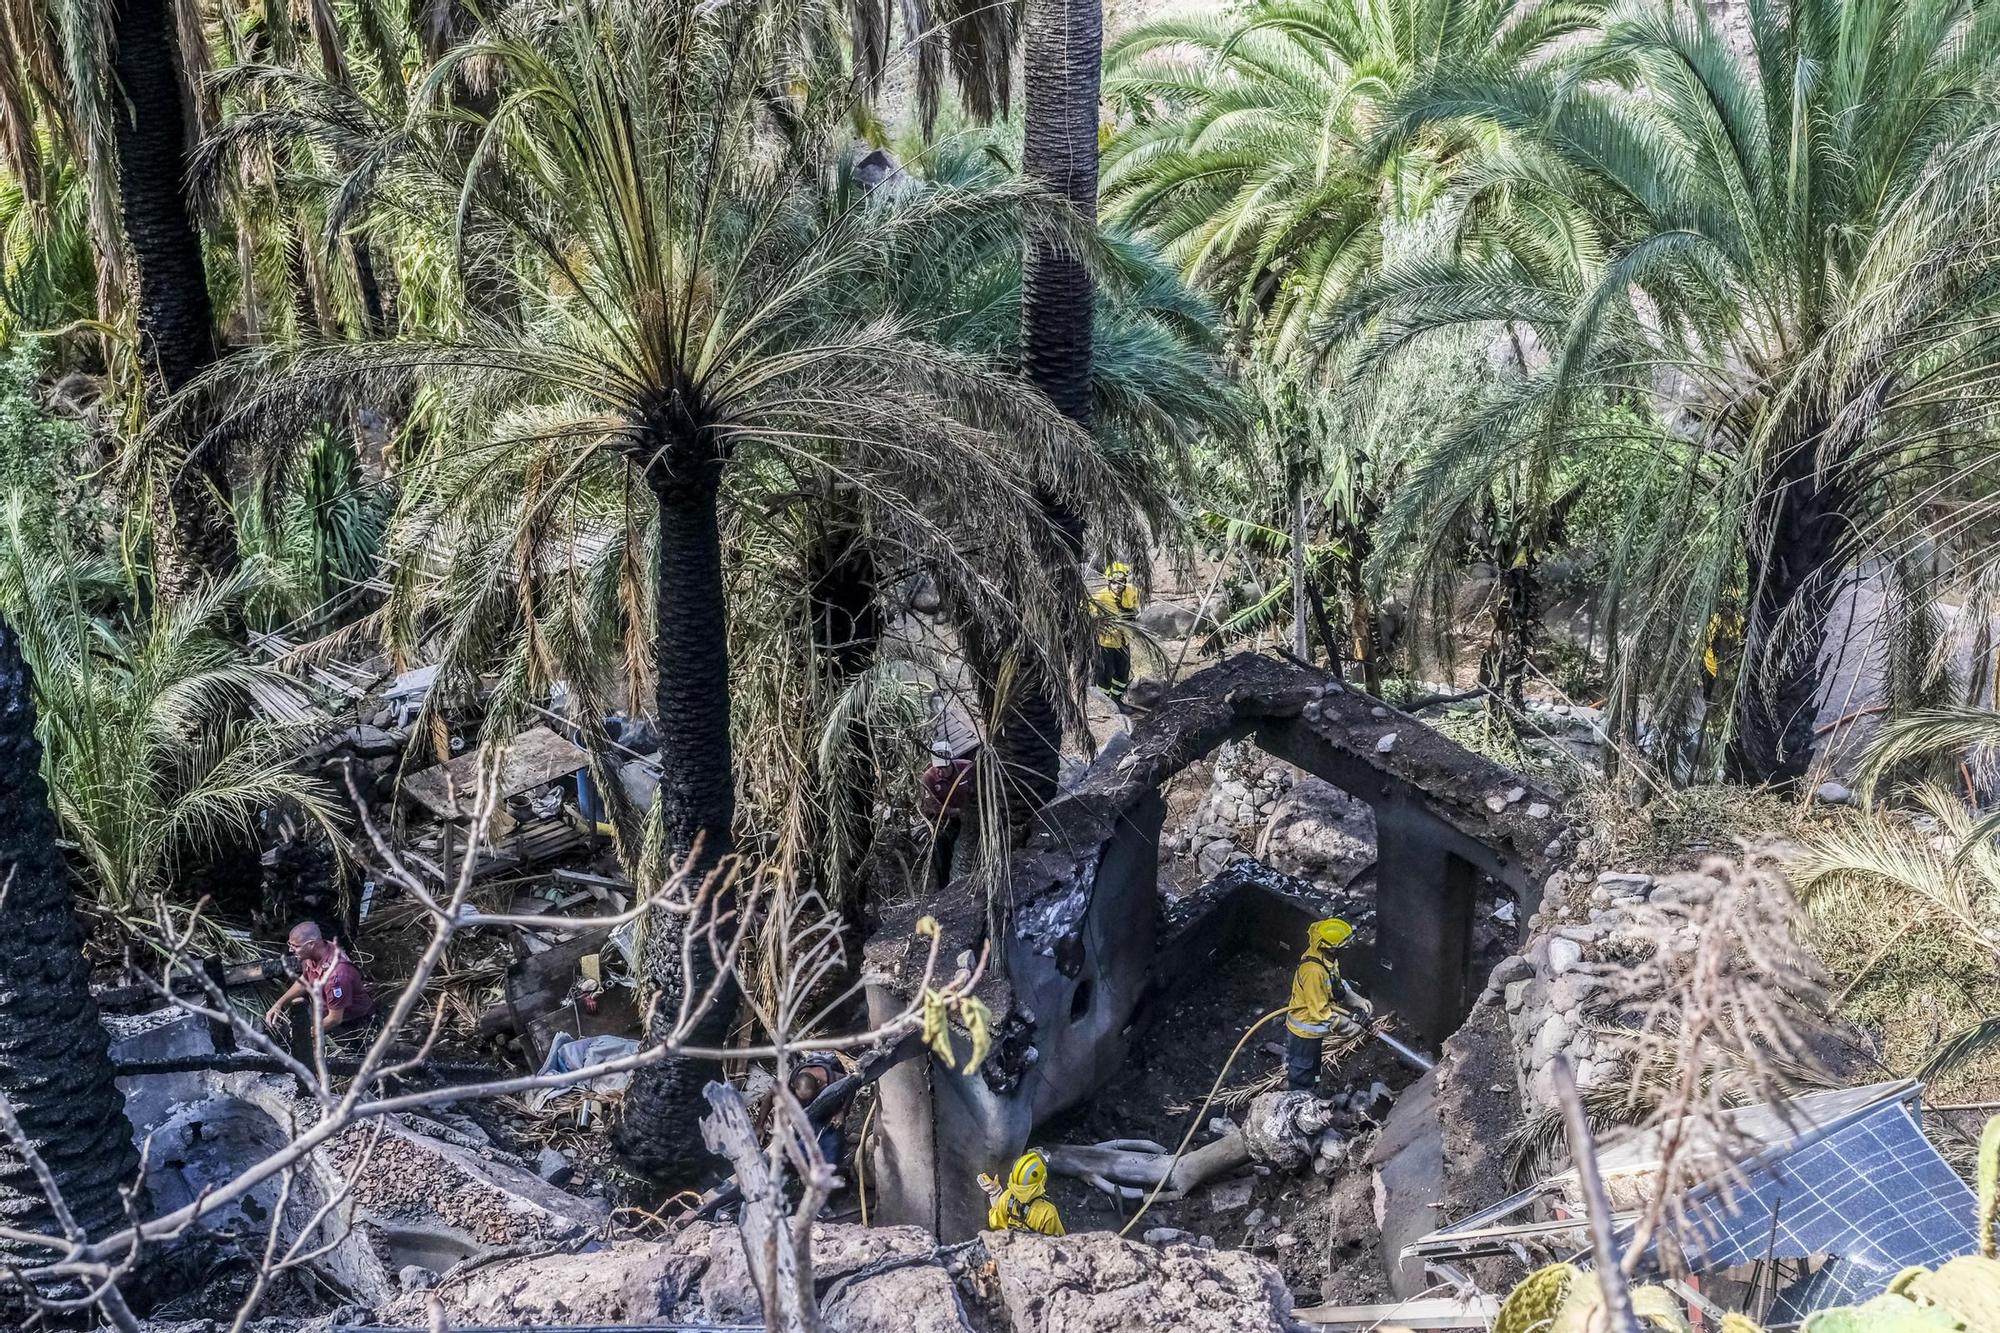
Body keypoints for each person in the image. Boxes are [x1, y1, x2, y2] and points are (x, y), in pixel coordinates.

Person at [264, 922, 375, 1054]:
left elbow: (335, 1019)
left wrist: (306, 1035)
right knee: (283, 1034)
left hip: (348, 1021)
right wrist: (279, 1004)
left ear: (311, 944)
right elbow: (305, 980)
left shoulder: (336, 976)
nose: (290, 950)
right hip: (323, 1008)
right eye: (290, 944)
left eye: (295, 946)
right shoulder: (314, 952)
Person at [1285, 917, 1363, 1092]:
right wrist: (1348, 1026)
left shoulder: (1328, 959)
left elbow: (1334, 983)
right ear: (1331, 947)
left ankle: (1315, 1086)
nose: (1347, 948)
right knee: (1302, 1070)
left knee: (1314, 1068)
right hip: (1304, 1032)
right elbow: (1320, 1011)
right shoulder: (1313, 971)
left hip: (1314, 1031)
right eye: (1344, 945)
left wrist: (1354, 998)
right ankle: (1300, 1096)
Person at [981, 1150, 1066, 1236]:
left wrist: (995, 1192)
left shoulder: (1006, 1197)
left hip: (1010, 1243)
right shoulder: (1047, 1213)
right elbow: (1060, 1241)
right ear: (1043, 1180)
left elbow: (995, 1223)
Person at [1090, 563, 1142, 701]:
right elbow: (1090, 615)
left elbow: (1136, 607)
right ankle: (1104, 702)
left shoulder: (1131, 591)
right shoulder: (1100, 596)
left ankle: (1117, 700)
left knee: (1123, 671)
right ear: (1109, 582)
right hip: (1106, 642)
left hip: (1124, 639)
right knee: (1105, 673)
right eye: (1114, 583)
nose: (1117, 586)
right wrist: (1103, 622)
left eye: (1121, 582)